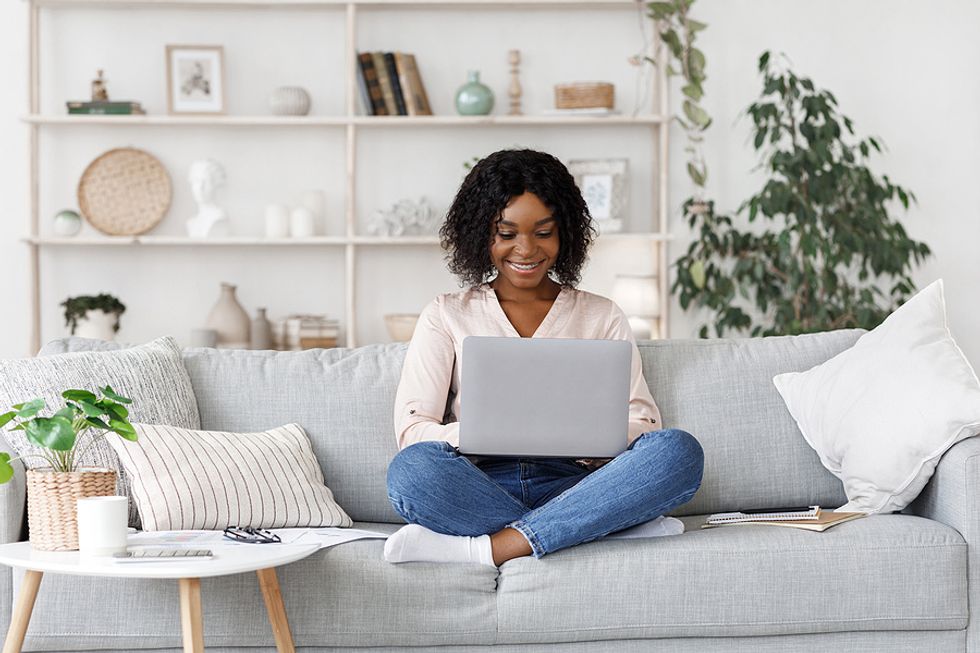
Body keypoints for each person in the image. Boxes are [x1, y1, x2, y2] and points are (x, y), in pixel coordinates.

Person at [384, 149, 704, 567]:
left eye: (543, 232)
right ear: (482, 233)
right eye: (507, 233)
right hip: (480, 482)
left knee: (677, 452)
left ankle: (497, 546)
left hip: (579, 482)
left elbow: (645, 423)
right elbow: (412, 431)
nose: (526, 249)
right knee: (411, 472)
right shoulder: (447, 313)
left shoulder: (601, 314)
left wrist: (589, 439)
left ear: (565, 233)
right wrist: (474, 434)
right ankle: (600, 527)